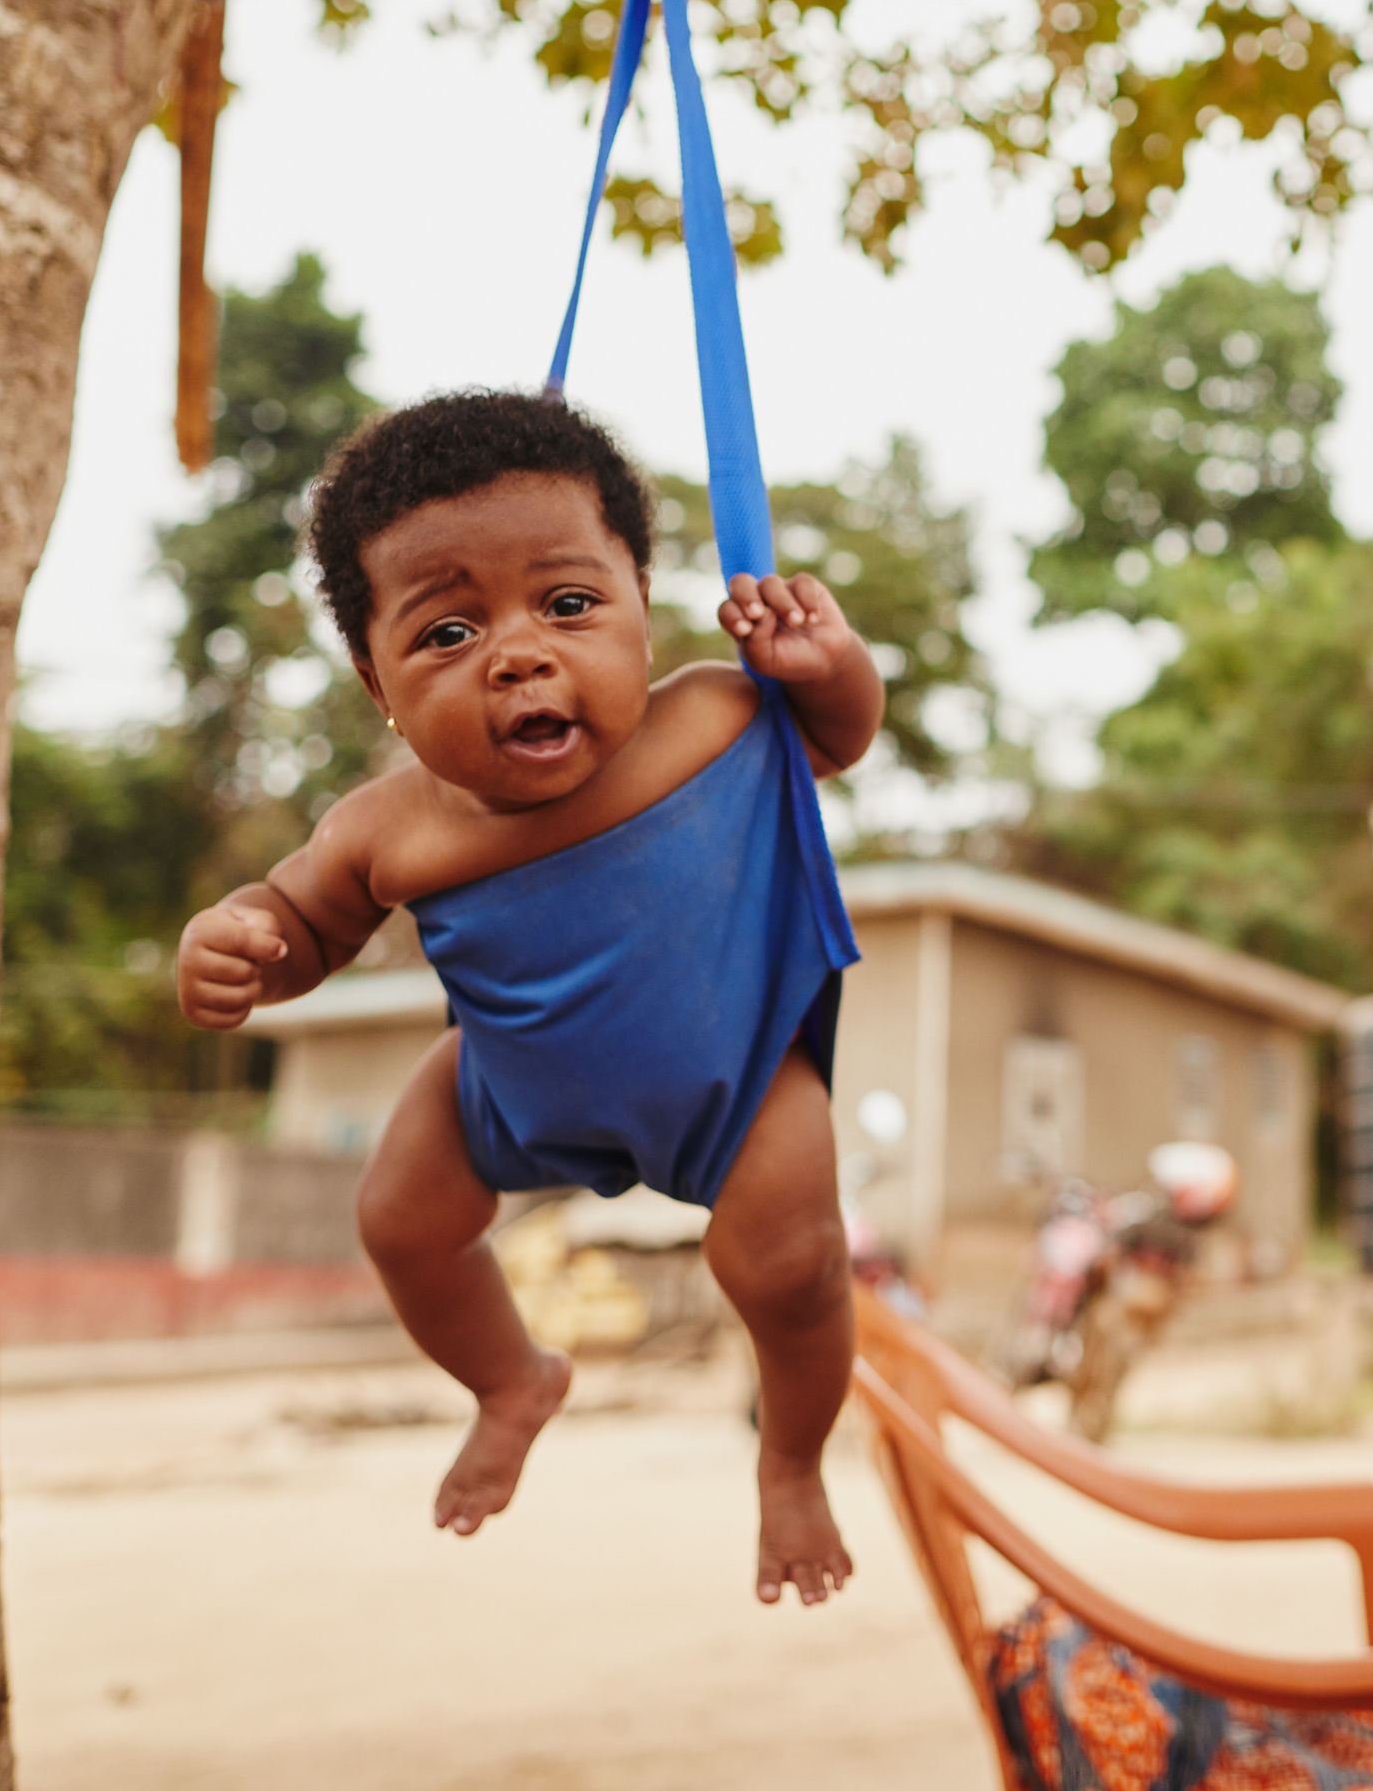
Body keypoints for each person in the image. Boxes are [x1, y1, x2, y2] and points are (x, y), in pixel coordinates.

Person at [176, 389, 880, 1605]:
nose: (518, 653)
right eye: (448, 634)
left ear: (640, 611)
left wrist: (832, 665)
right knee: (401, 1219)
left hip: (741, 1076)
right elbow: (302, 929)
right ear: (375, 675)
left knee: (794, 1264)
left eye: (568, 605)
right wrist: (238, 942)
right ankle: (511, 1380)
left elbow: (837, 735)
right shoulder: (383, 829)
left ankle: (793, 1460)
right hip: (505, 1088)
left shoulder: (718, 716)